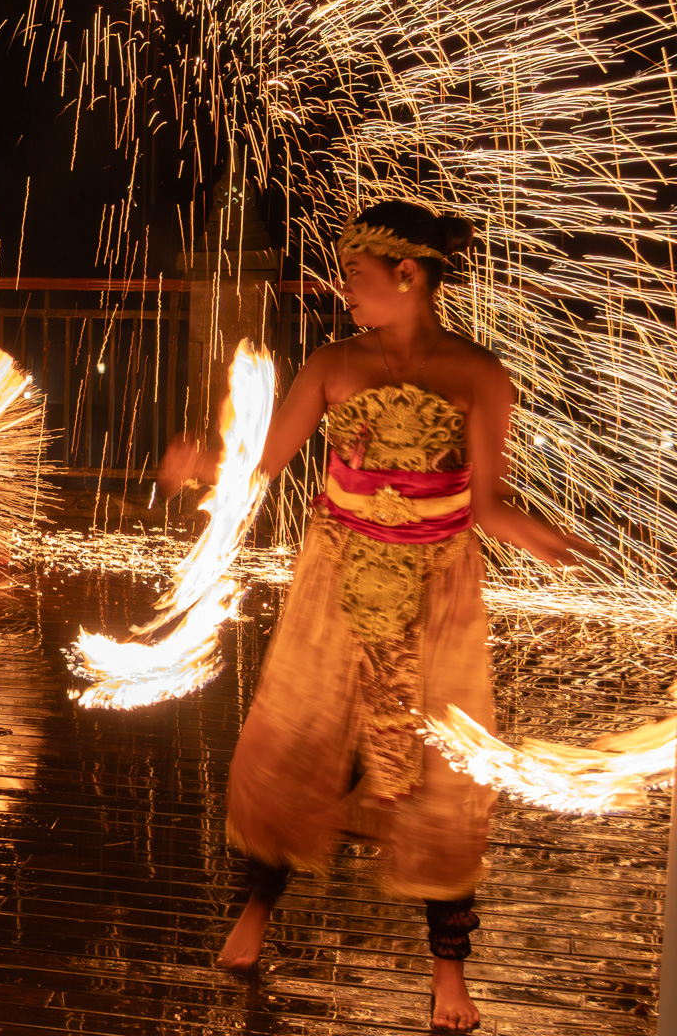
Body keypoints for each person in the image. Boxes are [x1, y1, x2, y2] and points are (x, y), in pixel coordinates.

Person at [161, 200, 593, 1032]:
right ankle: (255, 910)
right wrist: (204, 462)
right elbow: (263, 460)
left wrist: (540, 537)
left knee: (444, 770)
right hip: (336, 580)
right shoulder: (332, 363)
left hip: (437, 591)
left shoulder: (479, 375)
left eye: (356, 276)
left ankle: (448, 975)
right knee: (298, 745)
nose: (345, 290)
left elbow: (487, 505)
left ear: (408, 274)